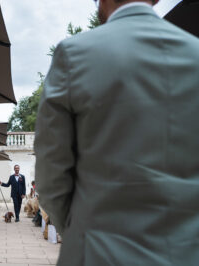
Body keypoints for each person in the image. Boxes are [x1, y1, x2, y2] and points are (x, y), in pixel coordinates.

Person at [34, 0, 199, 265]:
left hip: (100, 250)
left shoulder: (74, 54)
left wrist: (78, 232)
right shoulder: (195, 54)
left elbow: (51, 173)